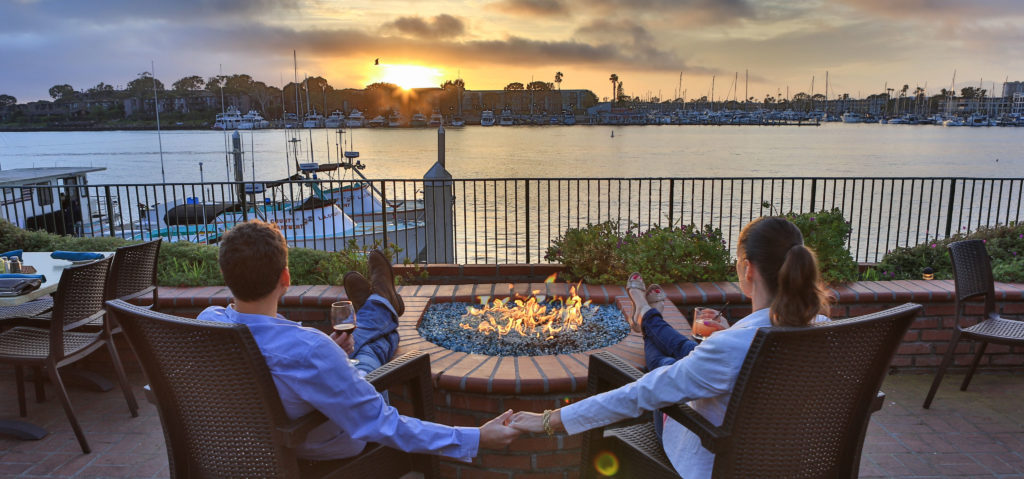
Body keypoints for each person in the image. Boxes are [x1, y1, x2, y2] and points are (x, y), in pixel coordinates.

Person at [508, 216, 831, 479]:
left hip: (715, 461)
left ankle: (646, 315)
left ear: (748, 269)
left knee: (663, 367)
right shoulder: (824, 330)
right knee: (683, 355)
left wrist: (549, 420)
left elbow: (640, 394)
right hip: (791, 461)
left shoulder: (732, 346)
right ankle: (649, 316)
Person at [197, 220, 520, 462]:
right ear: (286, 278)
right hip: (318, 446)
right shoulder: (309, 350)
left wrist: (329, 355)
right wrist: (476, 437)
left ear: (226, 275)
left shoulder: (207, 323)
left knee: (361, 345)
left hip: (248, 447)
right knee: (371, 352)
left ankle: (380, 307)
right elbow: (379, 423)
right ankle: (383, 305)